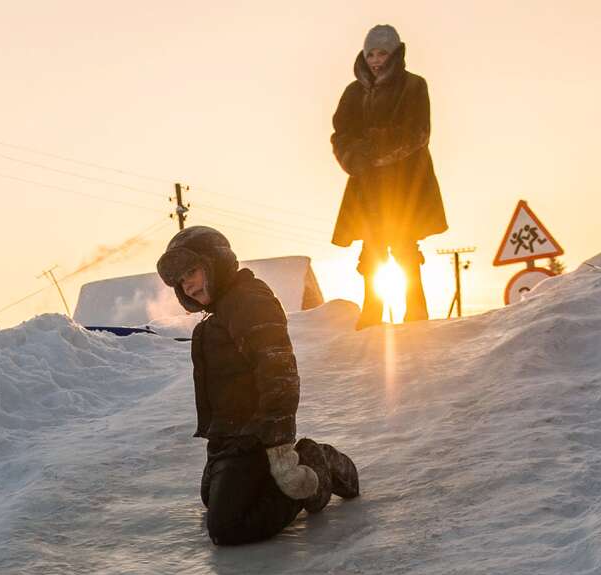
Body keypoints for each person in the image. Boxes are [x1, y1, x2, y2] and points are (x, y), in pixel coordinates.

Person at [155, 225, 362, 547]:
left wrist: (278, 440)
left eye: (192, 271)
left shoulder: (249, 301)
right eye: (181, 280)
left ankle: (315, 466)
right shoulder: (223, 309)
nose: (188, 284)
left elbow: (278, 371)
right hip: (230, 436)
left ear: (216, 262)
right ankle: (269, 475)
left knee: (228, 527)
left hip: (256, 434)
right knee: (214, 499)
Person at [330, 23, 447, 328]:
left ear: (394, 53)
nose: (377, 59)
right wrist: (353, 158)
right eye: (371, 54)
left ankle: (416, 315)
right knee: (372, 250)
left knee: (406, 247)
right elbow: (341, 134)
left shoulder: (414, 86)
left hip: (406, 185)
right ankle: (371, 316)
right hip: (366, 185)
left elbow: (418, 132)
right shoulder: (353, 93)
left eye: (382, 53)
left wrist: (373, 148)